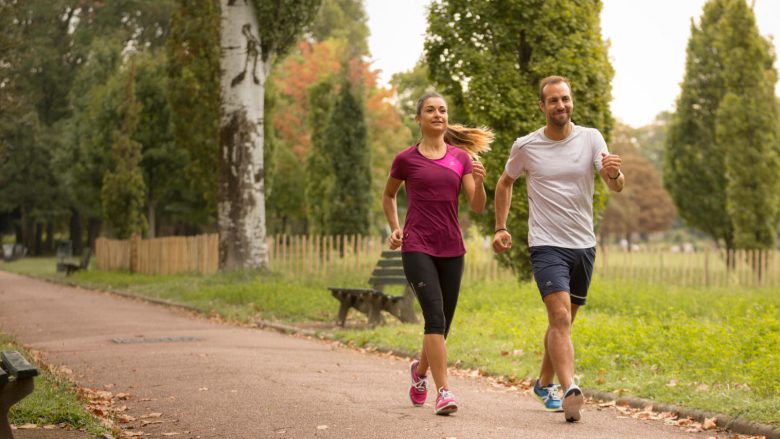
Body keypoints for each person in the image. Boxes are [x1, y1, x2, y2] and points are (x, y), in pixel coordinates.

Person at [492, 76, 624, 422]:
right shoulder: (526, 146)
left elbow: (615, 185)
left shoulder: (592, 138)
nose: (560, 105)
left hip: (583, 245)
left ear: (571, 101)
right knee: (560, 317)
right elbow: (505, 182)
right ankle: (570, 389)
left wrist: (616, 174)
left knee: (563, 323)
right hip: (546, 244)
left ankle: (543, 382)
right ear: (542, 106)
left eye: (565, 99)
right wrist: (501, 226)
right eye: (553, 100)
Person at [382, 92, 493, 415]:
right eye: (430, 110)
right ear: (418, 119)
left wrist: (481, 183)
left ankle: (419, 374)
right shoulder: (406, 159)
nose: (437, 114)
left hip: (452, 247)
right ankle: (443, 391)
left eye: (442, 110)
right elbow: (389, 196)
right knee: (434, 316)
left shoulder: (460, 158)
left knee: (442, 325)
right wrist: (394, 227)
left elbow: (477, 205)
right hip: (417, 245)